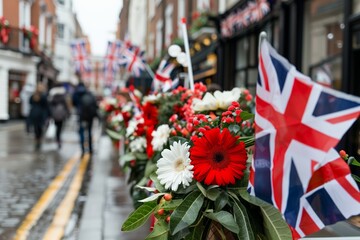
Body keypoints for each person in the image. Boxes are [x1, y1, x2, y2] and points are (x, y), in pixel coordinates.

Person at [72, 82, 98, 155]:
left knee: (81, 132)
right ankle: (90, 149)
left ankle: (83, 149)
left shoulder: (76, 93)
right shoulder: (89, 93)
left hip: (81, 116)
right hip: (90, 116)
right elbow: (95, 105)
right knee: (89, 132)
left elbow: (74, 103)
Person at [48, 84, 70, 149]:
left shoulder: (53, 97)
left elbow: (50, 106)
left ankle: (57, 138)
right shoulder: (63, 97)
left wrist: (50, 114)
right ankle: (58, 138)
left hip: (55, 115)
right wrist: (67, 114)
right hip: (61, 115)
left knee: (57, 127)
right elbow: (66, 106)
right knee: (59, 128)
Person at [29, 84, 49, 150]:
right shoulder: (39, 96)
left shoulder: (39, 95)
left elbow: (30, 102)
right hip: (38, 114)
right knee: (38, 128)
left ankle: (38, 140)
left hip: (38, 114)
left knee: (38, 128)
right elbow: (46, 106)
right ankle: (38, 141)